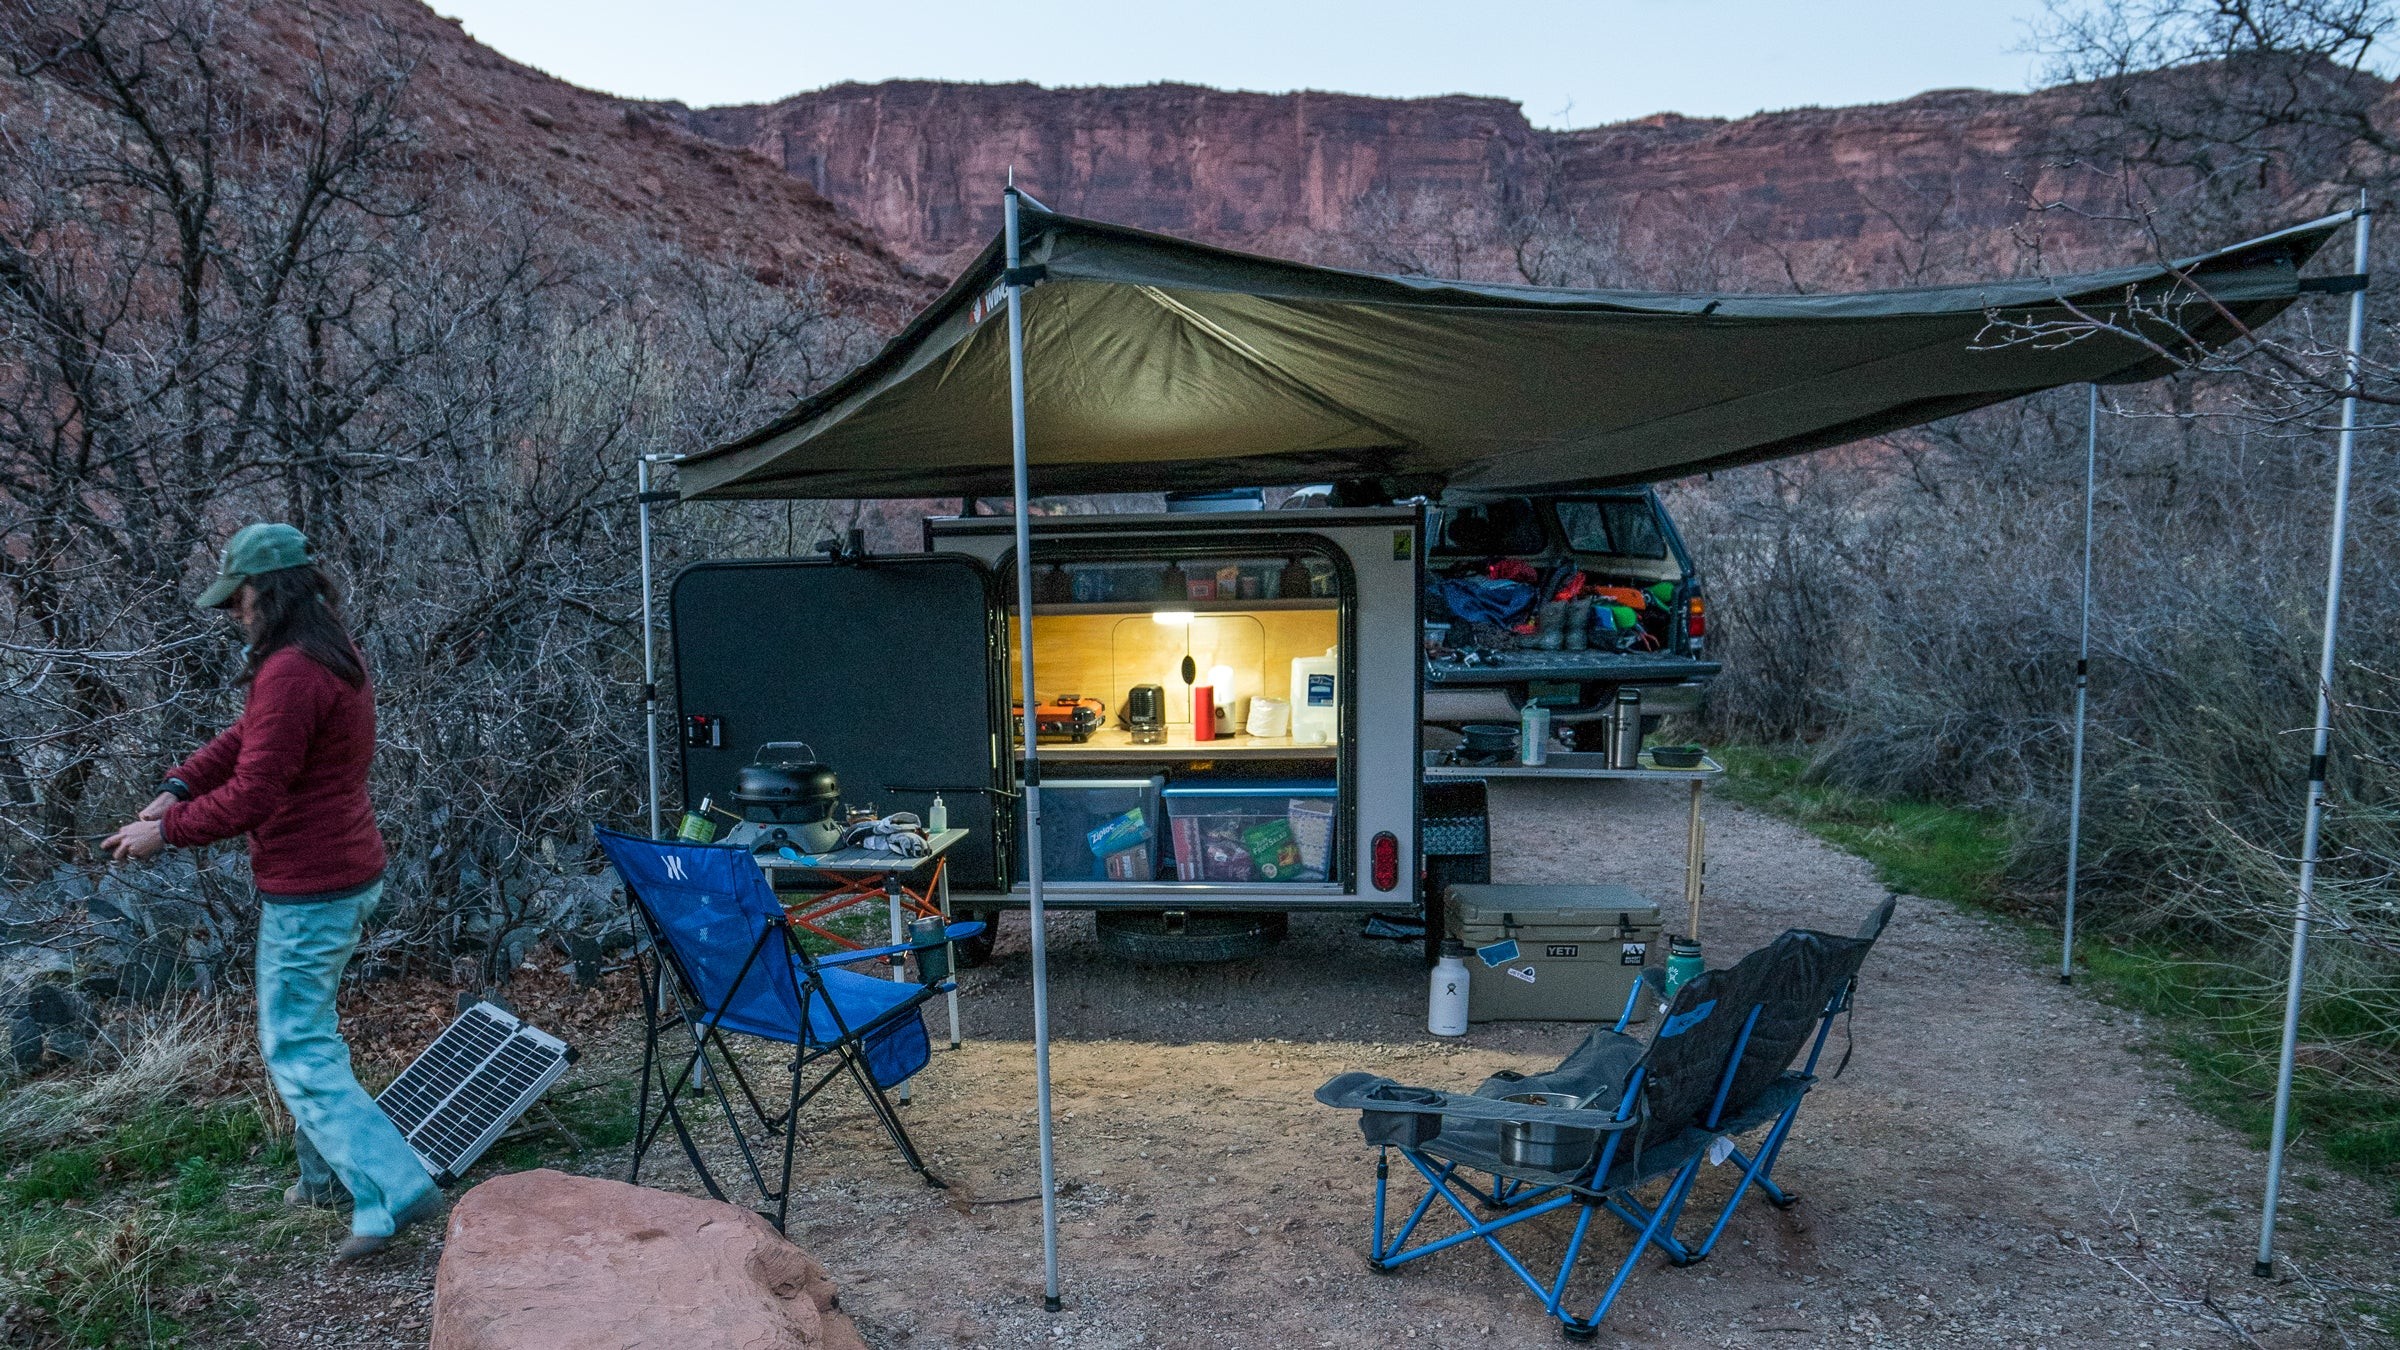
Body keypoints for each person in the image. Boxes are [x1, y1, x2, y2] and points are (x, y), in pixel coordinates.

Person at [103, 523, 442, 1261]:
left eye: (239, 598)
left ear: (272, 590)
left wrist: (170, 831)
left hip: (313, 886)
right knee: (310, 1032)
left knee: (295, 1046)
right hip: (342, 871)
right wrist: (178, 786)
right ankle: (325, 1182)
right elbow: (248, 736)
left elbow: (256, 790)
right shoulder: (325, 654)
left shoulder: (294, 669)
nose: (234, 612)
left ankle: (394, 1184)